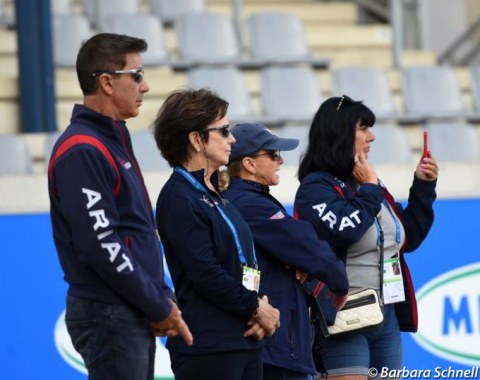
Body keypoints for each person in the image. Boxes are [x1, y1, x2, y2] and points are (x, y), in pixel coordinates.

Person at [47, 33, 192, 380]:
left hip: (124, 308)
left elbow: (131, 233)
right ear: (108, 82)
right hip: (109, 311)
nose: (145, 86)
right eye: (137, 75)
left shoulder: (110, 139)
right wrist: (157, 304)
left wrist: (160, 296)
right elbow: (102, 244)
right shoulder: (83, 148)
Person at [294, 95, 439, 379]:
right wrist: (370, 188)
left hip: (386, 316)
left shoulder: (367, 182)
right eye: (363, 128)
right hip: (342, 316)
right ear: (339, 132)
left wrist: (423, 187)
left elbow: (407, 239)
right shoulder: (316, 187)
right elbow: (347, 230)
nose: (371, 137)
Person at [152, 89, 280, 380]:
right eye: (223, 131)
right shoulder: (178, 197)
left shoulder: (214, 192)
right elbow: (205, 272)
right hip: (209, 346)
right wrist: (255, 307)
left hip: (243, 337)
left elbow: (239, 263)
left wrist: (260, 307)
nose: (232, 139)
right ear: (196, 139)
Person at [223, 123, 350, 380]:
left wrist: (296, 260)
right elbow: (309, 247)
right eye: (273, 154)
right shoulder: (250, 203)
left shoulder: (244, 199)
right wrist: (340, 283)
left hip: (272, 345)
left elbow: (298, 246)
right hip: (274, 349)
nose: (280, 160)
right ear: (249, 164)